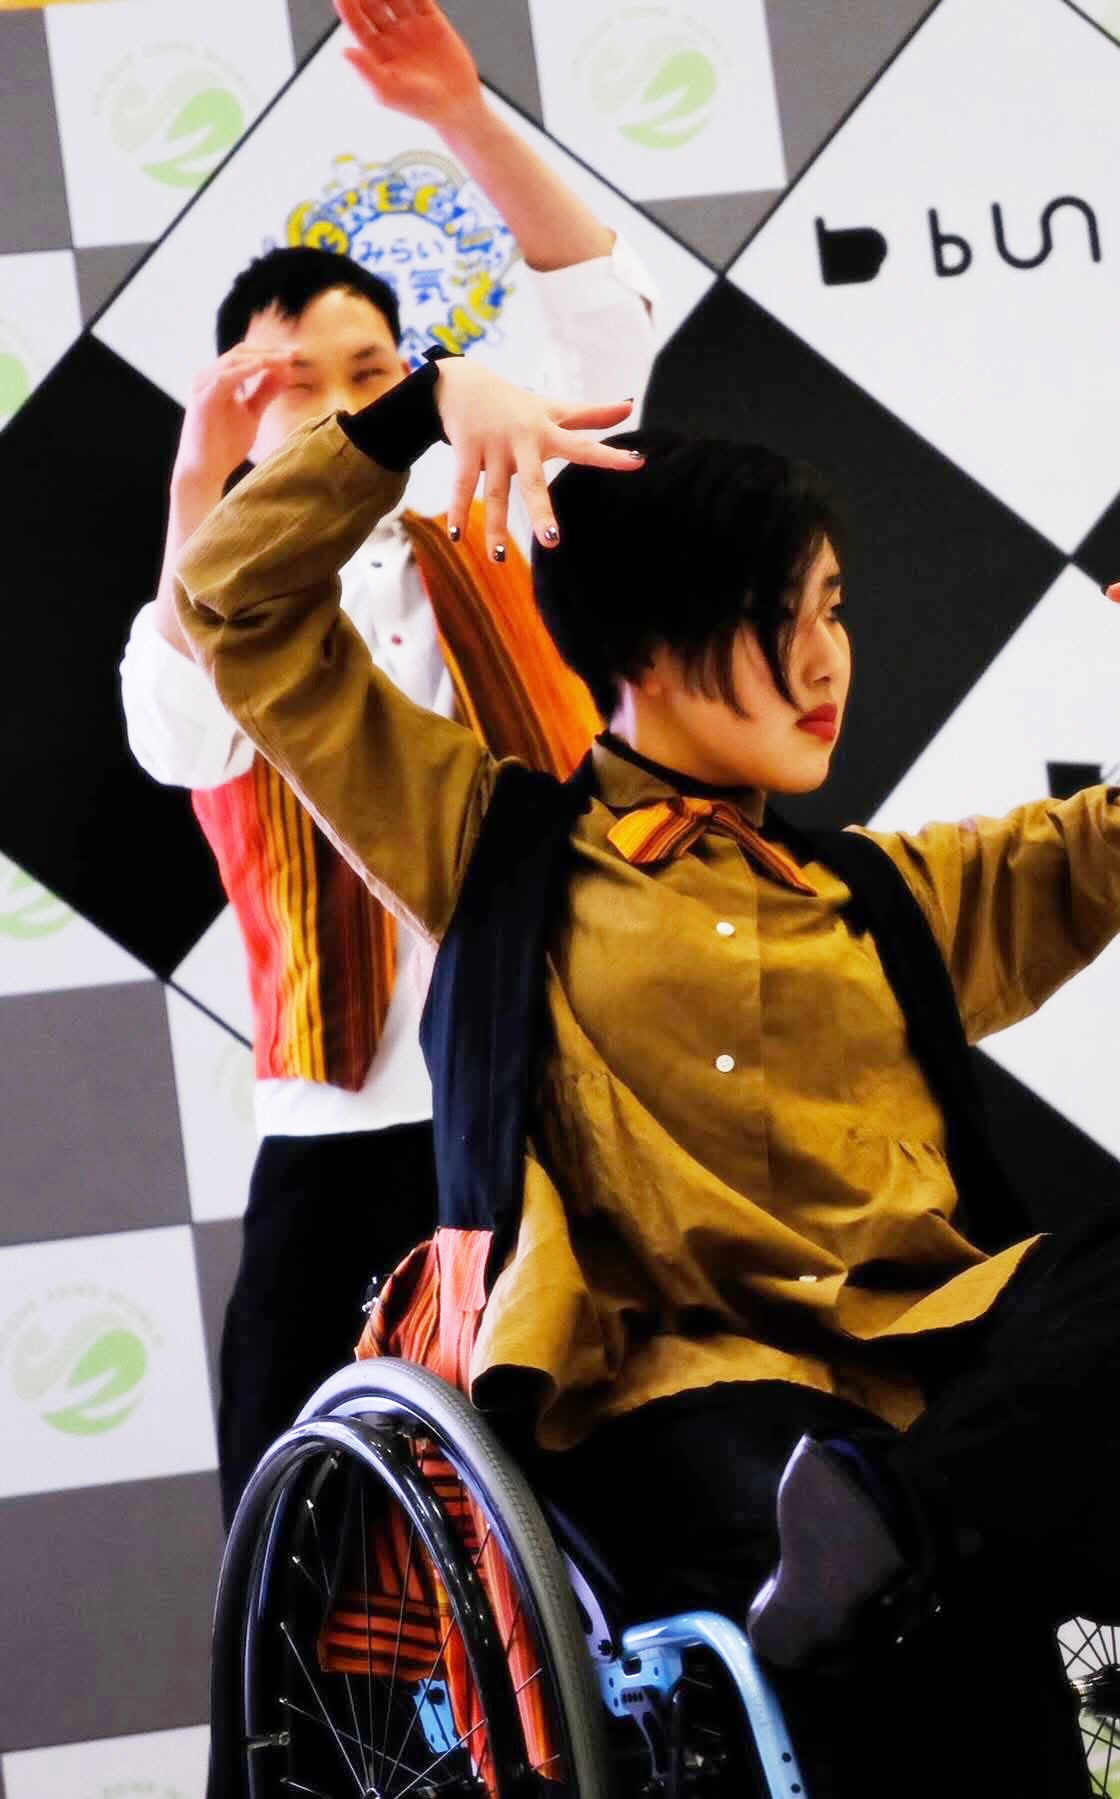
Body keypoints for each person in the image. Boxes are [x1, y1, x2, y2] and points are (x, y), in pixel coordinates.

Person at [172, 346, 1120, 1792]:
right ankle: (889, 1556)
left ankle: (889, 1543)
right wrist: (414, 406)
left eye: (834, 611)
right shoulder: (495, 852)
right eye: (781, 617)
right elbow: (240, 602)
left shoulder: (884, 894)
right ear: (647, 643)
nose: (826, 661)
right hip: (670, 1392)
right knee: (887, 1597)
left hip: (912, 1387)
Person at [119, 0, 657, 1524]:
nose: (345, 402)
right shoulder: (211, 608)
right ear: (236, 415)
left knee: (594, 1525)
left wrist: (462, 117)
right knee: (294, 1536)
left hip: (553, 1092)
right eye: (294, 380)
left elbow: (606, 339)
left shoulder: (488, 509)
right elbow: (177, 736)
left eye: (374, 370)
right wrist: (198, 493)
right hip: (341, 1134)